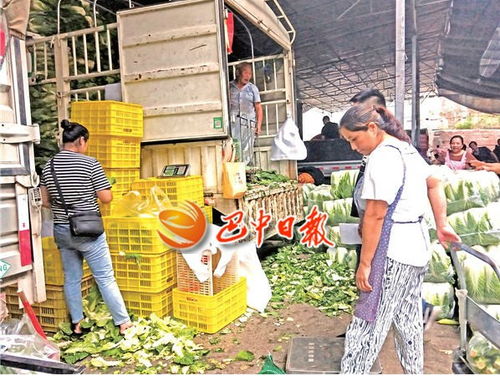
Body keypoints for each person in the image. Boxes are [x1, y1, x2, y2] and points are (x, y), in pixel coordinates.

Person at [338, 104, 460, 374]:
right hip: (416, 249)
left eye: (354, 139)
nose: (353, 147)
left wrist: (366, 263)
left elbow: (376, 215)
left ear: (371, 128)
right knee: (407, 320)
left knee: (369, 321)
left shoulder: (383, 157)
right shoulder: (407, 150)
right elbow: (434, 183)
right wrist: (441, 225)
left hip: (392, 252)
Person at [40, 120, 132, 335]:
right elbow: (106, 197)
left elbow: (45, 201)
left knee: (71, 278)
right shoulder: (89, 164)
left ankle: (77, 325)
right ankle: (124, 323)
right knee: (105, 277)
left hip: (62, 229)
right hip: (87, 229)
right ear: (81, 140)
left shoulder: (48, 166)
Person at [229, 62, 263, 165]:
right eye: (245, 72)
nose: (248, 76)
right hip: (233, 121)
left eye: (250, 73)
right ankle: (234, 168)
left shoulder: (252, 88)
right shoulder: (229, 87)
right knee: (233, 146)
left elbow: (258, 108)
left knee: (247, 148)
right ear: (238, 73)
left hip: (249, 122)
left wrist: (259, 125)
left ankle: (244, 171)